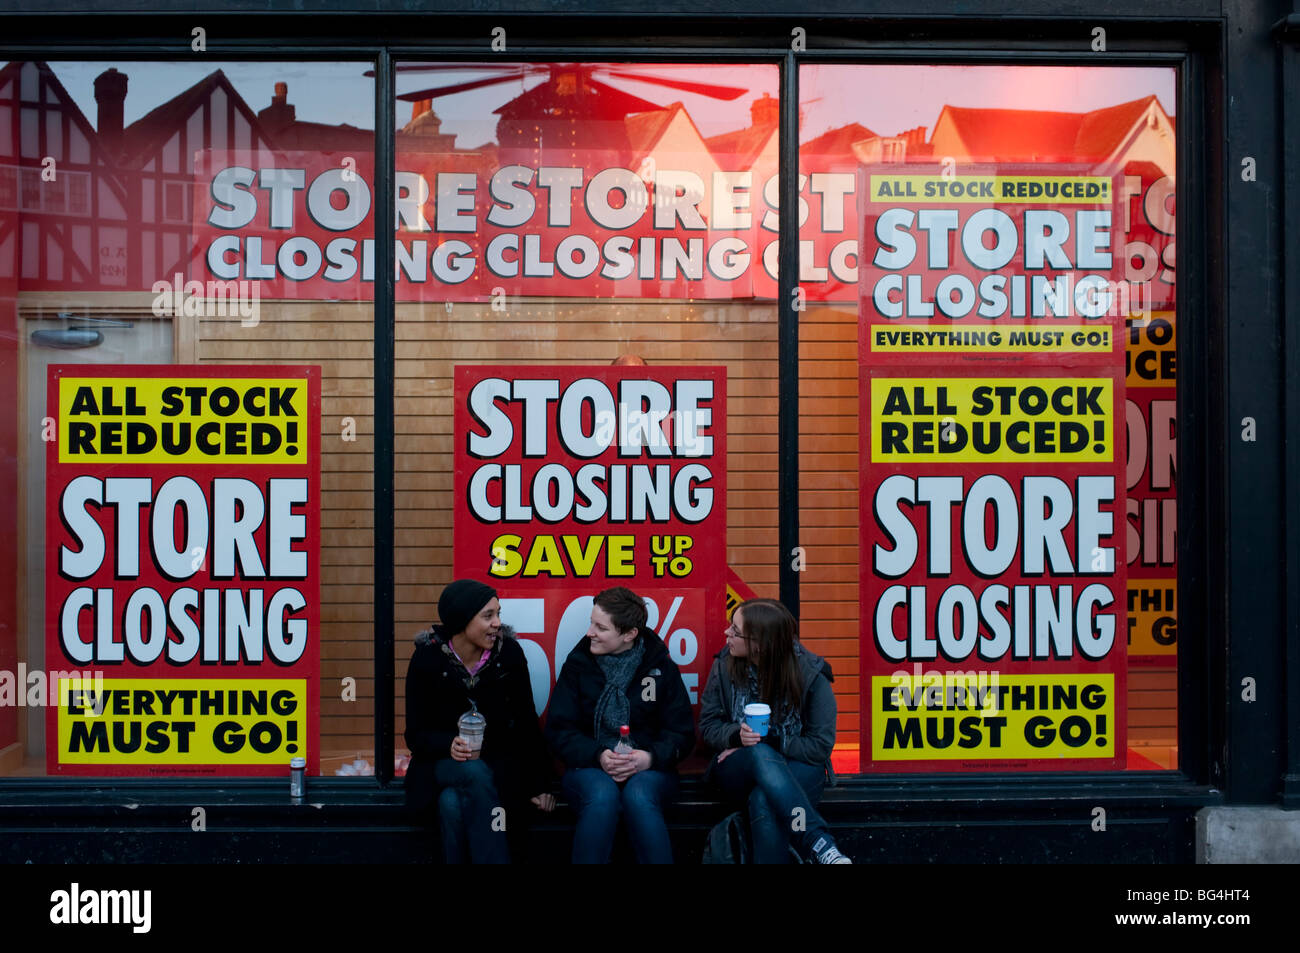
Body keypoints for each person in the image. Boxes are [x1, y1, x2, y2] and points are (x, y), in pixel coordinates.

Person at [404, 578, 555, 863]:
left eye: (498, 614)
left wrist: (540, 783)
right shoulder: (427, 658)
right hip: (439, 765)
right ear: (462, 619)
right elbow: (415, 734)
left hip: (498, 762)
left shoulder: (508, 654)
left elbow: (525, 721)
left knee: (451, 804)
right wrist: (448, 744)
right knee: (474, 772)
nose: (497, 623)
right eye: (488, 616)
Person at [545, 586, 695, 863]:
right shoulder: (578, 665)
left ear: (629, 634)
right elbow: (559, 730)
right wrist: (598, 755)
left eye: (600, 627)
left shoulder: (661, 668)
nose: (589, 632)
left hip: (650, 770)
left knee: (639, 795)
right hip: (589, 767)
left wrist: (649, 758)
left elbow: (681, 733)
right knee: (602, 795)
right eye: (591, 623)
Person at [699, 598, 852, 864]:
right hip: (738, 770)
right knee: (758, 751)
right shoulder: (724, 665)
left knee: (764, 800)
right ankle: (818, 842)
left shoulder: (811, 674)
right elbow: (709, 725)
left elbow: (819, 746)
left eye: (735, 630)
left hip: (799, 769)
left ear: (760, 644)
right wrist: (736, 737)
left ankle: (816, 843)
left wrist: (773, 740)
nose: (727, 633)